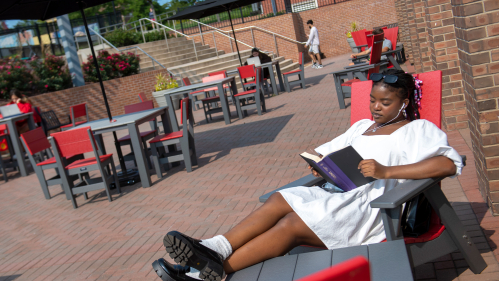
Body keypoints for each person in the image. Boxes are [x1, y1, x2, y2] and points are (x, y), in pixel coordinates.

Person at [153, 69, 462, 281]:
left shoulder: (417, 130)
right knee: (278, 199)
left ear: (404, 103)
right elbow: (324, 151)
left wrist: (387, 171)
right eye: (372, 100)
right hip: (339, 194)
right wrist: (319, 162)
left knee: (290, 226)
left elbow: (447, 164)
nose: (376, 107)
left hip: (372, 210)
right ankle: (214, 248)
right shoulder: (362, 127)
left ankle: (206, 272)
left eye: (385, 102)